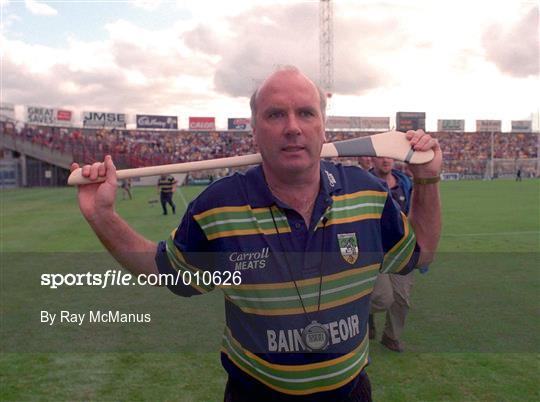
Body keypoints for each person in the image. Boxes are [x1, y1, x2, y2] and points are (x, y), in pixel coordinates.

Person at [71, 66, 442, 402]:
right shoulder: (219, 205)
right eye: (276, 114)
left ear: (322, 128)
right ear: (255, 129)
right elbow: (165, 271)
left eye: (306, 113)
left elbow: (420, 252)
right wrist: (102, 216)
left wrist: (427, 180)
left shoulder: (367, 195)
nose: (293, 126)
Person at [367, 157, 414, 352]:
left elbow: (414, 214)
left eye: (388, 156)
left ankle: (391, 336)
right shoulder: (362, 183)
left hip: (401, 250)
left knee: (402, 298)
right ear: (372, 160)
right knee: (382, 298)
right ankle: (364, 317)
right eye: (381, 156)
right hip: (373, 251)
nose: (385, 160)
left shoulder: (405, 183)